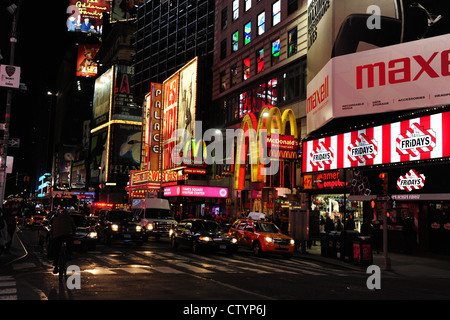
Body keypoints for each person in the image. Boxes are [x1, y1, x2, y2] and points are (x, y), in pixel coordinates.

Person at [50, 210, 76, 274]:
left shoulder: (56, 219)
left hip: (57, 236)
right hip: (67, 235)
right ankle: (69, 255)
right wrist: (73, 234)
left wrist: (52, 235)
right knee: (70, 244)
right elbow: (74, 228)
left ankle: (55, 265)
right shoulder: (70, 219)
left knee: (56, 249)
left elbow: (52, 228)